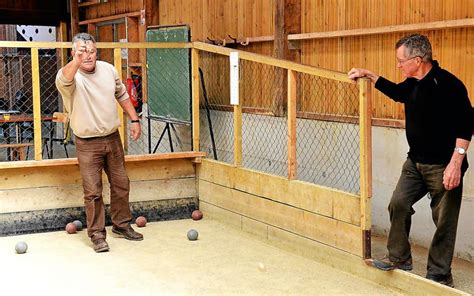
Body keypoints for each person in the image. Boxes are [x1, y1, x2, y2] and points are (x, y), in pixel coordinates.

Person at [348, 34, 472, 287]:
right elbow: (396, 92)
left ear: (417, 60)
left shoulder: (448, 85)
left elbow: (466, 124)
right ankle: (400, 258)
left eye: (401, 61)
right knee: (398, 204)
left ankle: (439, 273)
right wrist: (370, 75)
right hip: (414, 163)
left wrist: (455, 163)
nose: (398, 65)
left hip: (443, 165)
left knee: (444, 221)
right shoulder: (412, 83)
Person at [56, 33, 143, 253]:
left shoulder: (108, 69)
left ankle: (122, 225)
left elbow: (121, 94)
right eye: (82, 52)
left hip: (113, 137)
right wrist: (77, 60)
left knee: (121, 183)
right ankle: (97, 235)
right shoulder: (68, 76)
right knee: (93, 191)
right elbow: (65, 78)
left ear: (97, 52)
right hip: (87, 142)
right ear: (73, 53)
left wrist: (134, 119)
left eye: (92, 51)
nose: (88, 56)